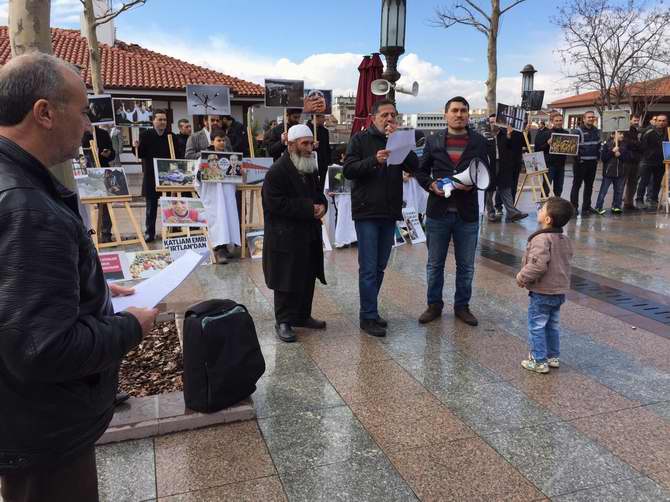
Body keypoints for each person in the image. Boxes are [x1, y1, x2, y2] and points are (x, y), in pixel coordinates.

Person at [0, 52, 158, 502]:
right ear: (44, 113)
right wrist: (131, 326)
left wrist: (85, 284)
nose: (89, 126)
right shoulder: (28, 207)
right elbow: (42, 349)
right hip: (42, 433)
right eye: (84, 111)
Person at [343, 99, 419, 337]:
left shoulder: (399, 140)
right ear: (373, 117)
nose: (389, 119)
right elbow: (348, 170)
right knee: (368, 267)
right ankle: (367, 316)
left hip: (389, 211)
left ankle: (371, 311)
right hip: (367, 211)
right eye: (385, 115)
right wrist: (373, 161)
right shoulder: (360, 139)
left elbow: (414, 166)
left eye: (393, 115)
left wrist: (401, 144)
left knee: (379, 267)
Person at [413, 96, 489, 327]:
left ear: (468, 115)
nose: (459, 114)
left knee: (466, 266)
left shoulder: (480, 141)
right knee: (435, 264)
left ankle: (462, 306)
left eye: (463, 110)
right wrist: (431, 185)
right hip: (439, 212)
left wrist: (473, 184)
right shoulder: (433, 140)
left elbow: (489, 172)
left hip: (467, 213)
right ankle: (434, 305)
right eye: (454, 110)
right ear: (445, 114)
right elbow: (420, 171)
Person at [262, 124, 328, 342]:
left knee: (307, 276)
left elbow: (319, 194)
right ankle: (283, 321)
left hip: (308, 233)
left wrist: (322, 206)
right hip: (285, 236)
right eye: (305, 144)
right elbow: (275, 204)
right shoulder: (277, 172)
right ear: (290, 145)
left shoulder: (309, 166)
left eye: (311, 143)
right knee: (286, 279)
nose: (310, 148)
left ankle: (302, 316)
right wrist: (309, 208)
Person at [516, 197, 574, 373]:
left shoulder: (541, 239)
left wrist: (522, 277)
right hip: (559, 291)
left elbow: (538, 266)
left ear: (548, 219)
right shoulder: (564, 239)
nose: (539, 210)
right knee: (552, 324)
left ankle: (539, 360)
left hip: (543, 291)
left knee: (537, 325)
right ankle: (552, 356)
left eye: (542, 209)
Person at [197, 128, 241, 264]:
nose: (222, 142)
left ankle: (227, 247)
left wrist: (240, 172)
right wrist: (200, 172)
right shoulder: (204, 158)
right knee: (218, 220)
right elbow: (196, 179)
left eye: (223, 140)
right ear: (212, 141)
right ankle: (219, 249)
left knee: (229, 218)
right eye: (218, 140)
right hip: (213, 195)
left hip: (227, 194)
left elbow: (236, 175)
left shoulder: (231, 157)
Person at [136, 110, 175, 241]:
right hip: (151, 175)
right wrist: (136, 147)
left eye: (164, 120)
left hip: (168, 176)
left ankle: (171, 231)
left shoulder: (171, 136)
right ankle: (149, 232)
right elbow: (140, 154)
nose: (163, 122)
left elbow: (177, 154)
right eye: (160, 119)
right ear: (153, 121)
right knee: (151, 206)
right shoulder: (146, 135)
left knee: (170, 204)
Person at [484, 114, 527, 222]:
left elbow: (514, 147)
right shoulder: (485, 136)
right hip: (489, 166)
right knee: (489, 190)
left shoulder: (505, 134)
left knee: (506, 188)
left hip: (503, 165)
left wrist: (509, 135)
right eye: (491, 122)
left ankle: (512, 213)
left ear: (500, 123)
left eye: (495, 122)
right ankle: (490, 212)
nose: (493, 124)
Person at [82, 125, 116, 241]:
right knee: (85, 205)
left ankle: (106, 234)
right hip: (84, 173)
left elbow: (112, 154)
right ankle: (86, 235)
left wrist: (108, 154)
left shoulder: (103, 133)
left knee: (105, 205)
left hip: (102, 172)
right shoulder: (78, 132)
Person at [570, 111, 602, 215]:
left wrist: (598, 157)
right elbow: (573, 148)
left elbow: (598, 145)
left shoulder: (596, 130)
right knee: (576, 185)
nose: (591, 119)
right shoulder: (577, 131)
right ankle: (573, 207)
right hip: (581, 163)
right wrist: (578, 159)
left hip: (592, 162)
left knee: (589, 186)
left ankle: (586, 207)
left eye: (592, 117)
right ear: (584, 119)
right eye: (589, 117)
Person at [635, 113, 669, 210]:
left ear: (666, 122)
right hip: (647, 161)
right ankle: (639, 200)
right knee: (644, 181)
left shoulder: (668, 132)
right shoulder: (649, 131)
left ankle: (653, 200)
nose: (661, 123)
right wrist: (648, 154)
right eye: (659, 121)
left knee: (657, 182)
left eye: (663, 121)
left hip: (661, 161)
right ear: (656, 121)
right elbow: (641, 145)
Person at [595, 132, 631, 215]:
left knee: (619, 191)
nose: (622, 135)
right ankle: (598, 206)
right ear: (613, 135)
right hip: (608, 172)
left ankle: (616, 206)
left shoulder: (625, 145)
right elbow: (603, 158)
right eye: (620, 133)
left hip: (620, 172)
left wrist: (620, 155)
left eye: (622, 134)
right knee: (603, 191)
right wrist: (612, 152)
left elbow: (628, 158)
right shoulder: (607, 144)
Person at [535, 113, 569, 197]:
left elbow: (569, 148)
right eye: (556, 121)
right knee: (546, 188)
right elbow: (538, 148)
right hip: (549, 165)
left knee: (559, 188)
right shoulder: (546, 133)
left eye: (560, 120)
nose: (558, 122)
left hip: (561, 165)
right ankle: (544, 204)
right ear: (552, 122)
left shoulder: (566, 133)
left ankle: (557, 204)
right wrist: (547, 143)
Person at [306, 114, 331, 190]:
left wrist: (328, 162)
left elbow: (327, 148)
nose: (324, 119)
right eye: (322, 117)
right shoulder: (306, 130)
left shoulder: (324, 131)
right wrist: (312, 147)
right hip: (309, 165)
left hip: (323, 166)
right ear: (315, 117)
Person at [622, 115, 642, 210]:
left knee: (633, 183)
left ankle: (629, 203)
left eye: (637, 120)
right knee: (622, 182)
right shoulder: (625, 130)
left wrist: (637, 144)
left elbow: (642, 145)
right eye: (635, 120)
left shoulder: (637, 131)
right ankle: (617, 203)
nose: (636, 122)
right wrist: (637, 144)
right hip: (627, 160)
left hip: (636, 160)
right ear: (630, 120)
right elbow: (627, 143)